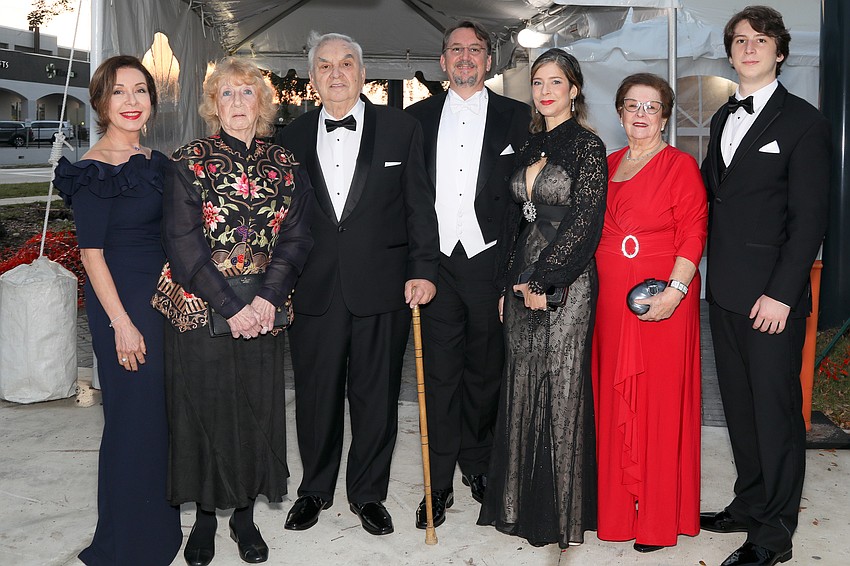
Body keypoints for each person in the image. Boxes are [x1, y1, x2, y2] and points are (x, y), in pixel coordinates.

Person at [275, 32, 439, 537]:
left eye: (346, 63)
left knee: (376, 396)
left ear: (362, 73)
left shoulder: (400, 129)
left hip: (383, 286)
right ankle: (315, 490)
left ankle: (369, 493)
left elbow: (419, 206)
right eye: (324, 66)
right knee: (316, 395)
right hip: (314, 289)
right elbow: (281, 221)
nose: (336, 73)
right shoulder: (291, 137)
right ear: (312, 77)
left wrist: (424, 269)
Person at [155, 56, 313, 566]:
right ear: (213, 104)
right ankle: (203, 517)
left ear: (262, 104)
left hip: (265, 308)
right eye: (227, 93)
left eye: (247, 93)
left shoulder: (286, 164)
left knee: (254, 411)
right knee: (203, 410)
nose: (237, 103)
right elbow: (182, 244)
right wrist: (230, 307)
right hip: (202, 308)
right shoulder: (187, 160)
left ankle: (243, 515)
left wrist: (266, 300)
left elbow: (296, 238)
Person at [699, 6, 830, 566]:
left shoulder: (804, 122)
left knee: (776, 416)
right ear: (729, 52)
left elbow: (810, 220)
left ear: (780, 51)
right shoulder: (721, 116)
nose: (748, 47)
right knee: (741, 409)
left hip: (772, 298)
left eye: (760, 39)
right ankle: (750, 503)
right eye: (739, 40)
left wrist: (782, 293)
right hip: (724, 290)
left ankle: (775, 535)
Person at [54, 55, 182, 565]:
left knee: (159, 422)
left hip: (165, 306)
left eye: (140, 91)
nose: (131, 102)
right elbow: (91, 255)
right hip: (123, 310)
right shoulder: (91, 171)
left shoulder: (158, 162)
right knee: (132, 422)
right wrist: (122, 325)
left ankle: (158, 532)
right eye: (119, 92)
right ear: (101, 102)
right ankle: (126, 545)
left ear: (152, 101)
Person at [477, 48, 606, 548]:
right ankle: (514, 504)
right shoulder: (531, 146)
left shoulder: (587, 147)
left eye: (556, 81)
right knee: (522, 385)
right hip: (521, 282)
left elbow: (585, 222)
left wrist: (545, 281)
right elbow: (514, 222)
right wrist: (508, 286)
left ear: (574, 89)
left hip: (566, 283)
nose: (545, 90)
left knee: (562, 389)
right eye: (537, 82)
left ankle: (557, 514)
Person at [405, 20, 530, 528]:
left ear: (488, 60)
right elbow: (411, 197)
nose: (464, 57)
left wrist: (512, 277)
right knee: (438, 376)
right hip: (435, 266)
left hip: (489, 263)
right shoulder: (415, 118)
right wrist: (419, 266)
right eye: (455, 50)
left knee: (485, 372)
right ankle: (436, 483)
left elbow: (529, 201)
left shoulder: (519, 118)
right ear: (442, 61)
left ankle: (478, 465)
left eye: (474, 49)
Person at [592, 73, 707, 553]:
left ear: (665, 115)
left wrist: (675, 292)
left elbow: (693, 232)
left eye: (651, 106)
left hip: (662, 300)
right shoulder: (606, 163)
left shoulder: (680, 165)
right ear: (619, 113)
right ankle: (616, 514)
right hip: (610, 302)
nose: (641, 114)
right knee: (615, 402)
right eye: (632, 105)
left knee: (658, 406)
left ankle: (659, 519)